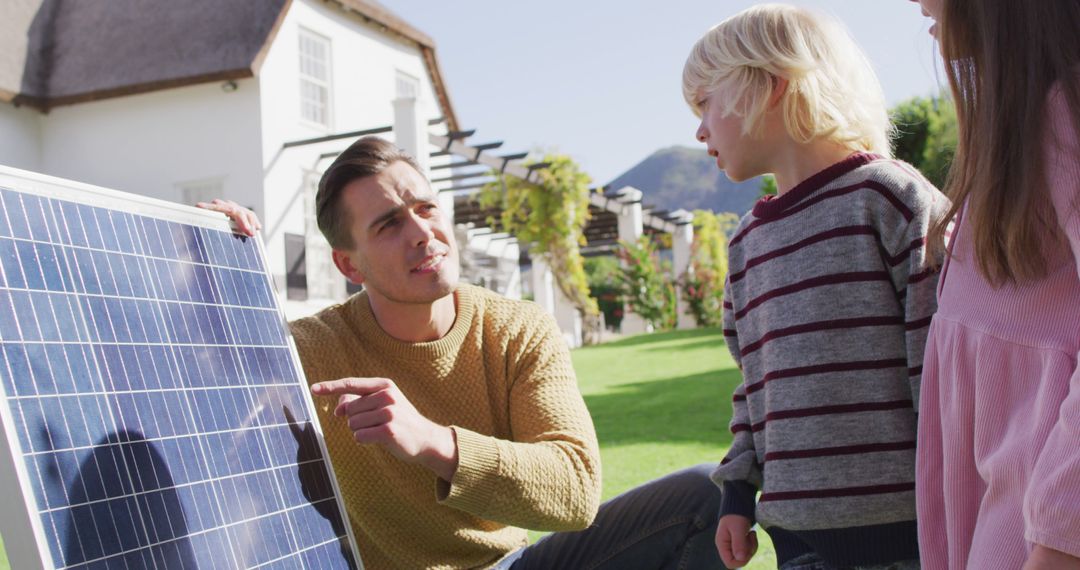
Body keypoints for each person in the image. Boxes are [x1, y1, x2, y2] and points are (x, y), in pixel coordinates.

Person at [203, 136, 724, 570]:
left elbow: (575, 489)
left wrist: (430, 441)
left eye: (426, 208)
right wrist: (198, 250)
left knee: (704, 496)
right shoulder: (307, 351)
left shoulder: (519, 329)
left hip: (508, 566)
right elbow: (192, 380)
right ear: (350, 267)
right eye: (388, 224)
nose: (423, 233)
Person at [682, 5, 949, 569]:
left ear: (770, 85)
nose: (699, 128)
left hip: (914, 539)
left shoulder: (890, 200)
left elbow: (944, 375)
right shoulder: (745, 243)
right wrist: (736, 489)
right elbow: (755, 388)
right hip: (798, 543)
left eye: (705, 101)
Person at [907, 1, 1080, 569]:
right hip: (999, 495)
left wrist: (1061, 536)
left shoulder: (1066, 114)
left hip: (1039, 514)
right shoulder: (1020, 126)